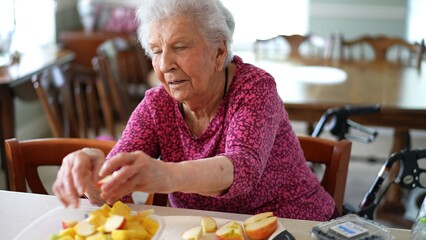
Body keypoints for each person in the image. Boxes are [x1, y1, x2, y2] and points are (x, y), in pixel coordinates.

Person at [53, 0, 338, 221]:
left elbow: (243, 168)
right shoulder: (157, 104)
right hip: (212, 231)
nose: (165, 65)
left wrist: (166, 175)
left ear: (218, 53)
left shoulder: (255, 88)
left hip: (292, 225)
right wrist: (94, 176)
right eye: (155, 50)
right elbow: (112, 190)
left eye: (179, 47)